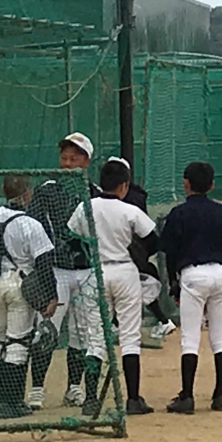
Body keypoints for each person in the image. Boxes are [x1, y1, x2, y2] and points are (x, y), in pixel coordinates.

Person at [68, 158, 158, 416]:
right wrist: (135, 249)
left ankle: (91, 399)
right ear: (123, 185)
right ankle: (133, 399)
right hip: (125, 271)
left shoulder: (86, 206)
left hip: (97, 271)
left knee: (95, 337)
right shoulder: (130, 210)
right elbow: (153, 241)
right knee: (130, 337)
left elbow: (72, 238)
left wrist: (91, 247)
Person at [25, 132, 103, 411]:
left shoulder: (95, 193)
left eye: (74, 159)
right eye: (64, 158)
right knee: (46, 330)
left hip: (85, 270)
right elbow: (33, 224)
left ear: (86, 161)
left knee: (81, 333)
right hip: (56, 270)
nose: (67, 164)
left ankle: (74, 388)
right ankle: (36, 389)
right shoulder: (47, 189)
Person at [0, 176, 58, 419]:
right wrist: (51, 296)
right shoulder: (31, 224)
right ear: (27, 194)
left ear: (3, 190)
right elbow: (44, 263)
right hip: (19, 284)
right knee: (17, 343)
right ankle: (12, 402)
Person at [160, 161, 222, 414]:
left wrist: (174, 283)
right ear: (211, 185)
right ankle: (220, 394)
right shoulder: (221, 211)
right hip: (220, 272)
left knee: (190, 337)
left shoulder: (178, 213)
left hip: (192, 273)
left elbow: (170, 252)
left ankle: (187, 396)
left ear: (186, 183)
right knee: (219, 336)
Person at [121, 168, 177, 340]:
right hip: (134, 255)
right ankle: (162, 321)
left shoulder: (130, 199)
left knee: (134, 290)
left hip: (129, 256)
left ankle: (162, 321)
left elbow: (151, 238)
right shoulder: (136, 195)